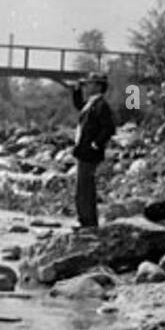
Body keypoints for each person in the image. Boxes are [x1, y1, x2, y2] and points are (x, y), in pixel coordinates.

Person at [70, 72, 115, 228]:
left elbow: (109, 128)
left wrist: (96, 144)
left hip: (90, 153)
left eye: (90, 84)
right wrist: (76, 90)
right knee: (82, 188)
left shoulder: (102, 105)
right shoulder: (91, 103)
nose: (87, 86)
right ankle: (85, 219)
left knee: (85, 189)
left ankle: (87, 222)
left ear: (98, 86)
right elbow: (79, 106)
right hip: (84, 152)